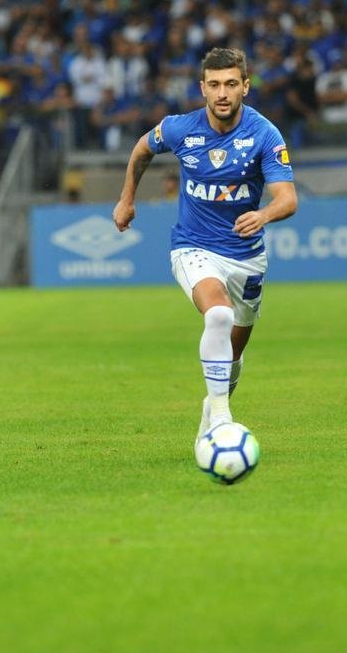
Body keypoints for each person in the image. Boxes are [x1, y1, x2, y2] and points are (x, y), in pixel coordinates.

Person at [112, 47, 298, 446]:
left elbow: (287, 198)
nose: (223, 93)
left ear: (245, 86)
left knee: (233, 354)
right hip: (192, 247)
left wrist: (263, 215)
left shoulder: (264, 134)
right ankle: (222, 418)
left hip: (247, 256)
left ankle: (211, 414)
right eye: (214, 85)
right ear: (202, 88)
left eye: (231, 83)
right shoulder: (180, 128)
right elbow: (142, 148)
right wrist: (127, 199)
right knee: (218, 315)